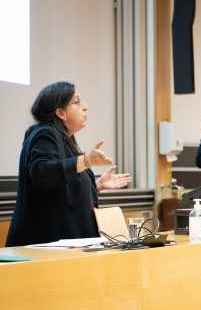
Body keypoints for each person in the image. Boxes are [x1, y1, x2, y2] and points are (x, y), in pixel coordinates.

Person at [6, 81, 132, 246]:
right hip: (44, 244)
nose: (85, 107)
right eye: (77, 102)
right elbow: (43, 173)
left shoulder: (66, 138)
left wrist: (96, 185)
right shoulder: (44, 133)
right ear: (61, 113)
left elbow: (63, 185)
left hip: (64, 242)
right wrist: (85, 160)